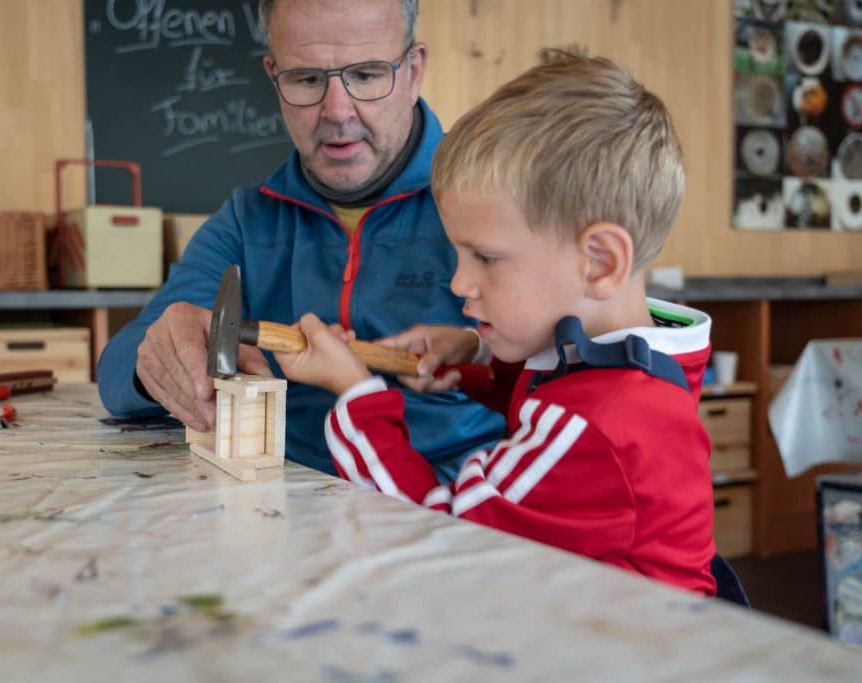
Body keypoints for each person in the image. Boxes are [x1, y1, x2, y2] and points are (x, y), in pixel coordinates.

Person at [274, 50, 718, 595]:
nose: (460, 284)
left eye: (484, 258)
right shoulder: (640, 369)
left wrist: (355, 393)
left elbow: (436, 538)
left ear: (600, 262)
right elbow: (565, 383)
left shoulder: (593, 430)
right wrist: (476, 360)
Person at [97, 0, 505, 478]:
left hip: (466, 513)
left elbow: (574, 363)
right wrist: (160, 355)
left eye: (368, 75)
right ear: (274, 77)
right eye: (307, 80)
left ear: (414, 71)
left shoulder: (499, 199)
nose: (337, 110)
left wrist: (478, 345)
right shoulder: (247, 222)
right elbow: (117, 371)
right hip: (290, 508)